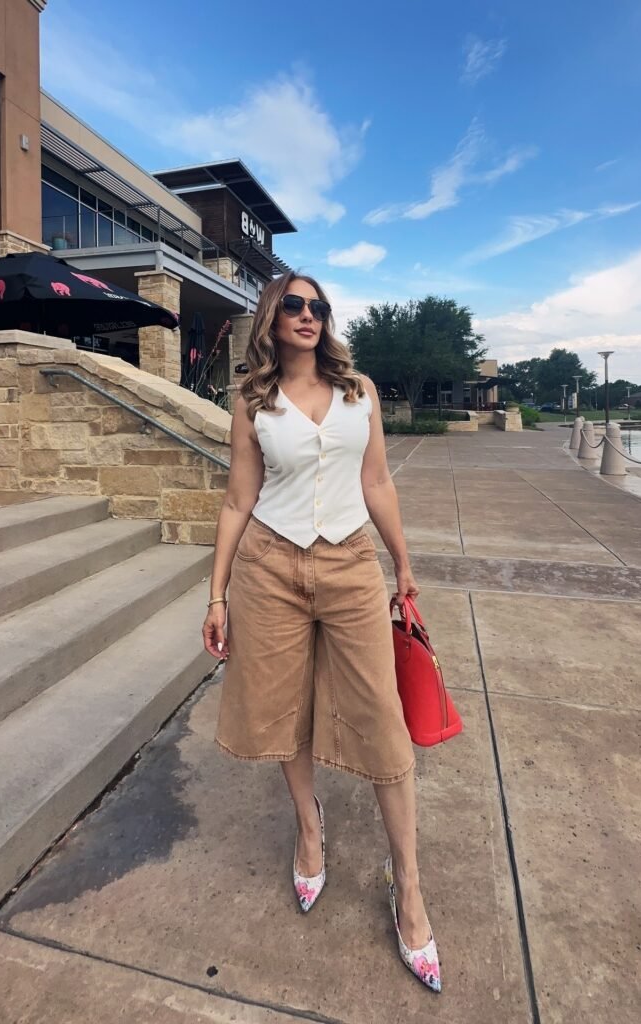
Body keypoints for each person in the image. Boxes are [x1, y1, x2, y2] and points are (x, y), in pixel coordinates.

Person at [202, 272, 441, 993]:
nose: (309, 316)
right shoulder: (250, 399)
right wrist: (215, 594)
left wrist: (401, 563)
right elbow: (239, 498)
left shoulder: (356, 390)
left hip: (347, 566)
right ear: (272, 319)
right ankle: (310, 830)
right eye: (295, 306)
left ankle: (410, 888)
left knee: (380, 718)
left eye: (318, 307)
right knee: (285, 710)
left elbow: (377, 485)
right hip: (269, 567)